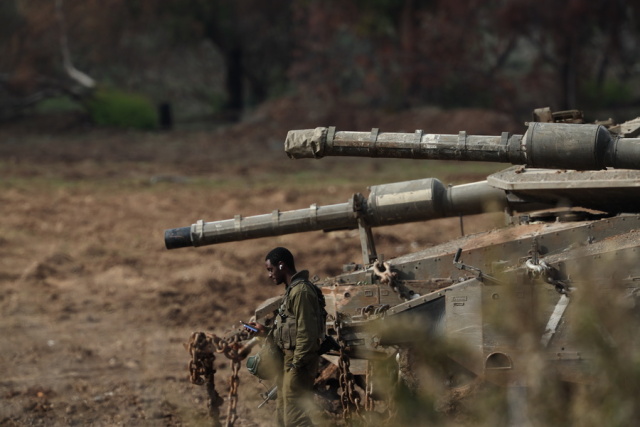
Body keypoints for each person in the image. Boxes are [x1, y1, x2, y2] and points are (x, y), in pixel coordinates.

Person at [258, 247, 324, 427]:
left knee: (295, 418)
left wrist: (297, 364)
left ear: (281, 265)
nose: (269, 275)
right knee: (282, 415)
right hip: (289, 359)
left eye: (270, 270)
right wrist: (263, 333)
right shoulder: (291, 290)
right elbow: (289, 327)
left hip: (299, 361)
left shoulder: (300, 291)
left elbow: (307, 332)